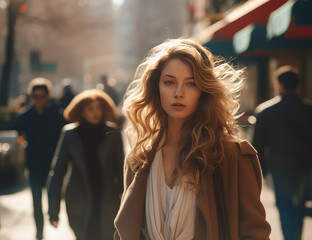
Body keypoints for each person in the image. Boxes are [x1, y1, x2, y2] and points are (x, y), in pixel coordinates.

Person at [113, 38, 271, 240]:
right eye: (169, 82)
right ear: (156, 87)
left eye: (191, 83)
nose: (179, 93)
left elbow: (256, 234)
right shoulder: (140, 158)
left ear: (203, 91)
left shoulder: (232, 155)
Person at [252, 66, 312, 240]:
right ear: (298, 85)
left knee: (284, 207)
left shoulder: (265, 111)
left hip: (279, 167)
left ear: (279, 84)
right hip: (305, 166)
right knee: (299, 208)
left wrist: (262, 171)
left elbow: (257, 145)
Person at [47, 89, 124, 240]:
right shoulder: (69, 134)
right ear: (82, 112)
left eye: (98, 108)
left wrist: (128, 204)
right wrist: (53, 211)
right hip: (78, 200)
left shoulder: (113, 133)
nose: (96, 112)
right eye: (91, 109)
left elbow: (122, 171)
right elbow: (58, 172)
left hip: (108, 199)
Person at [1, 77, 65, 240]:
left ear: (48, 95)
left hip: (53, 164)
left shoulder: (57, 116)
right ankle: (39, 231)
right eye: (36, 96)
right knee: (36, 201)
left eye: (42, 95)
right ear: (31, 96)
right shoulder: (26, 116)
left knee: (54, 196)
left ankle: (53, 217)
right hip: (34, 165)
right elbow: (11, 127)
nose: (39, 99)